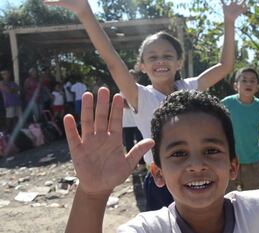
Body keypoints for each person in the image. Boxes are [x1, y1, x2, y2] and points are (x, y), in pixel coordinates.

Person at [44, 0, 246, 211]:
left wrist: (229, 21)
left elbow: (225, 66)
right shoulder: (140, 95)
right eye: (152, 57)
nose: (160, 61)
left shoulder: (191, 87)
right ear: (142, 66)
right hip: (161, 180)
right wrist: (85, 12)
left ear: (179, 63)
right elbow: (112, 60)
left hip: (196, 174)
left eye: (167, 56)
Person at [63, 87, 259, 233]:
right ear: (157, 173)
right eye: (178, 153)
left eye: (211, 151)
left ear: (233, 166)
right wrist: (92, 193)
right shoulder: (151, 229)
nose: (196, 165)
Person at [221, 67, 259, 191]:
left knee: (253, 198)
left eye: (252, 81)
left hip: (253, 161)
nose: (248, 83)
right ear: (236, 86)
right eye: (244, 80)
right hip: (229, 160)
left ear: (257, 87)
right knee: (227, 197)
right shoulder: (226, 104)